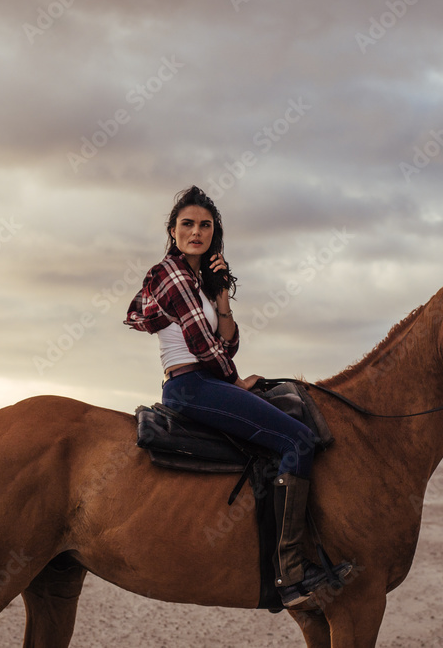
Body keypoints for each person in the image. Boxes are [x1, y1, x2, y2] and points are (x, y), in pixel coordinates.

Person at [124, 185, 351, 607]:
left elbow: (228, 342)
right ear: (172, 231)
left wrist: (222, 295)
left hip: (208, 379)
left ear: (215, 232)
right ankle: (291, 571)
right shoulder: (170, 274)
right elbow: (205, 346)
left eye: (205, 225)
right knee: (297, 440)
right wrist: (234, 382)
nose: (196, 232)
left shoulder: (200, 282)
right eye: (187, 224)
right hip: (191, 386)